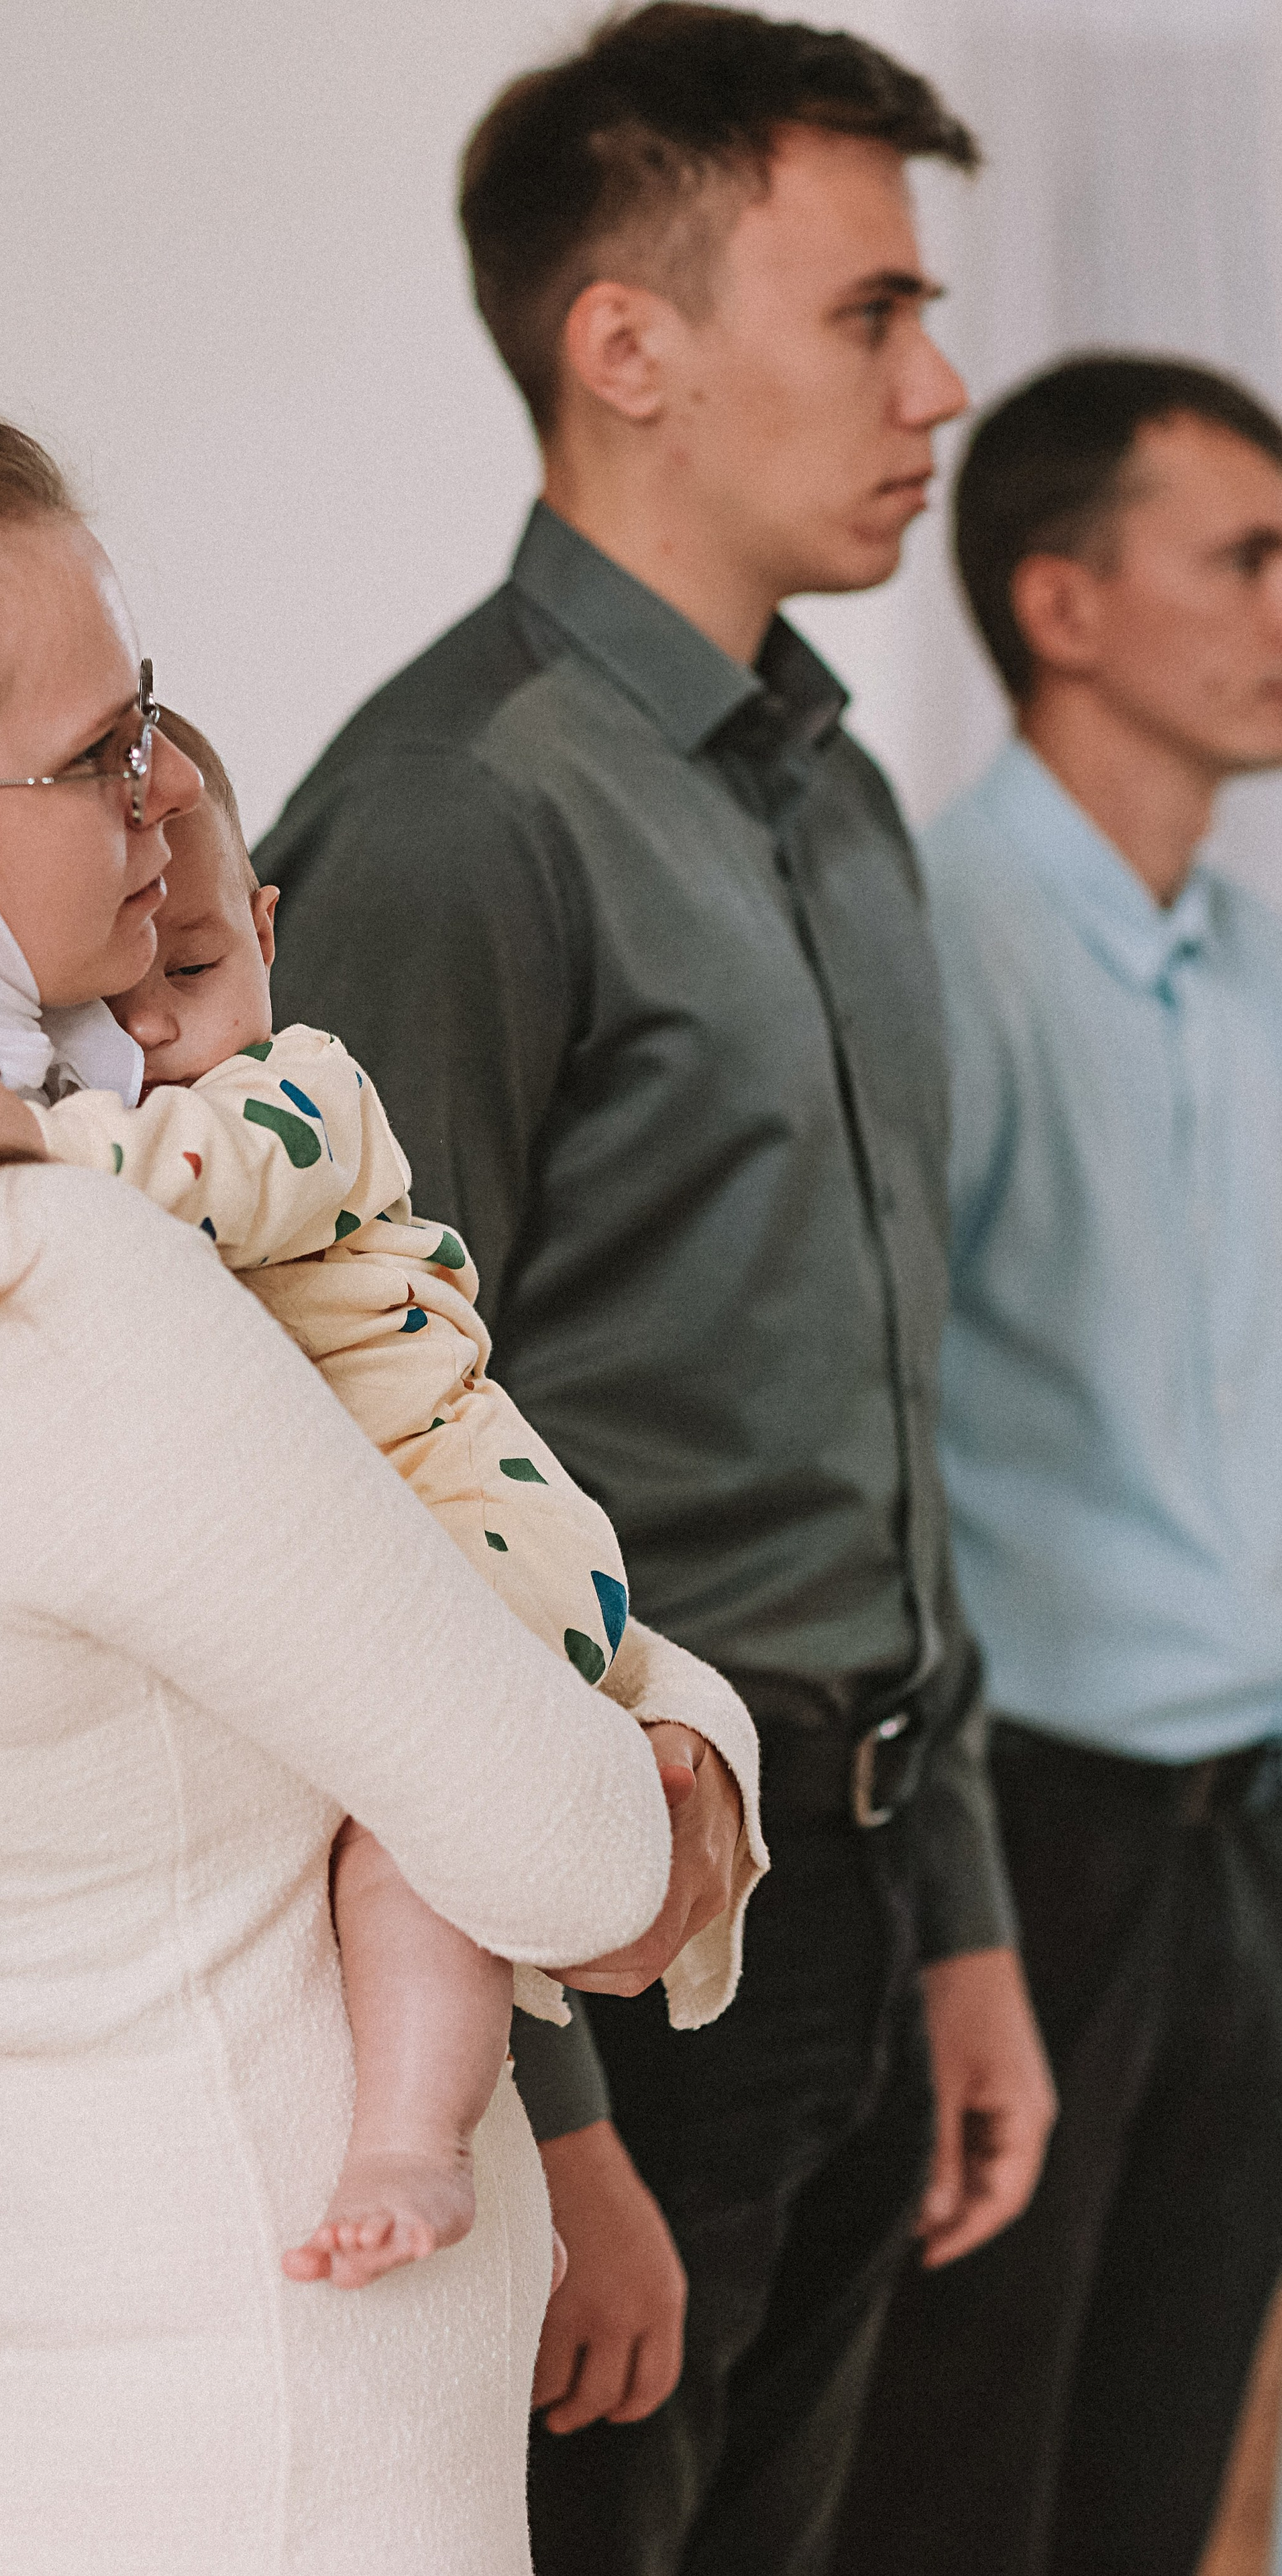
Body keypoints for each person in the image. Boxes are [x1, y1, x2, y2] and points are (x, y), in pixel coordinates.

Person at [0, 393, 733, 2576]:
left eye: (152, 720)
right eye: (98, 753)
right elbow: (587, 1857)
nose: (163, 807)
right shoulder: (38, 1271)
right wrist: (700, 1746)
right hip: (241, 2470)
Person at [256, 11, 1058, 2571]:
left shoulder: (822, 790)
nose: (941, 383)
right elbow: (362, 1501)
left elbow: (881, 1438)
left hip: (854, 1878)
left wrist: (963, 1928)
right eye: (871, 313)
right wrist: (549, 2116)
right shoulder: (457, 814)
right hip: (614, 1944)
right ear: (630, 346)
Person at [0, 705, 766, 2292]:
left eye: (192, 970)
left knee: (413, 1831)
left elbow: (212, 1174)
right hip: (389, 1531)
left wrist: (35, 1142)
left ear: (265, 927)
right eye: (107, 1008)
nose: (161, 1032)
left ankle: (411, 2132)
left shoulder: (296, 1090)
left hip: (468, 1513)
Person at [831, 355, 1282, 2576]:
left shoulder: (1264, 965)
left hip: (1245, 1828)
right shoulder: (936, 941)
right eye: (1250, 557)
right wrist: (954, 1902)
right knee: (966, 2488)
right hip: (1040, 1850)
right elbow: (871, 1428)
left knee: (1162, 2461)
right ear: (1065, 604)